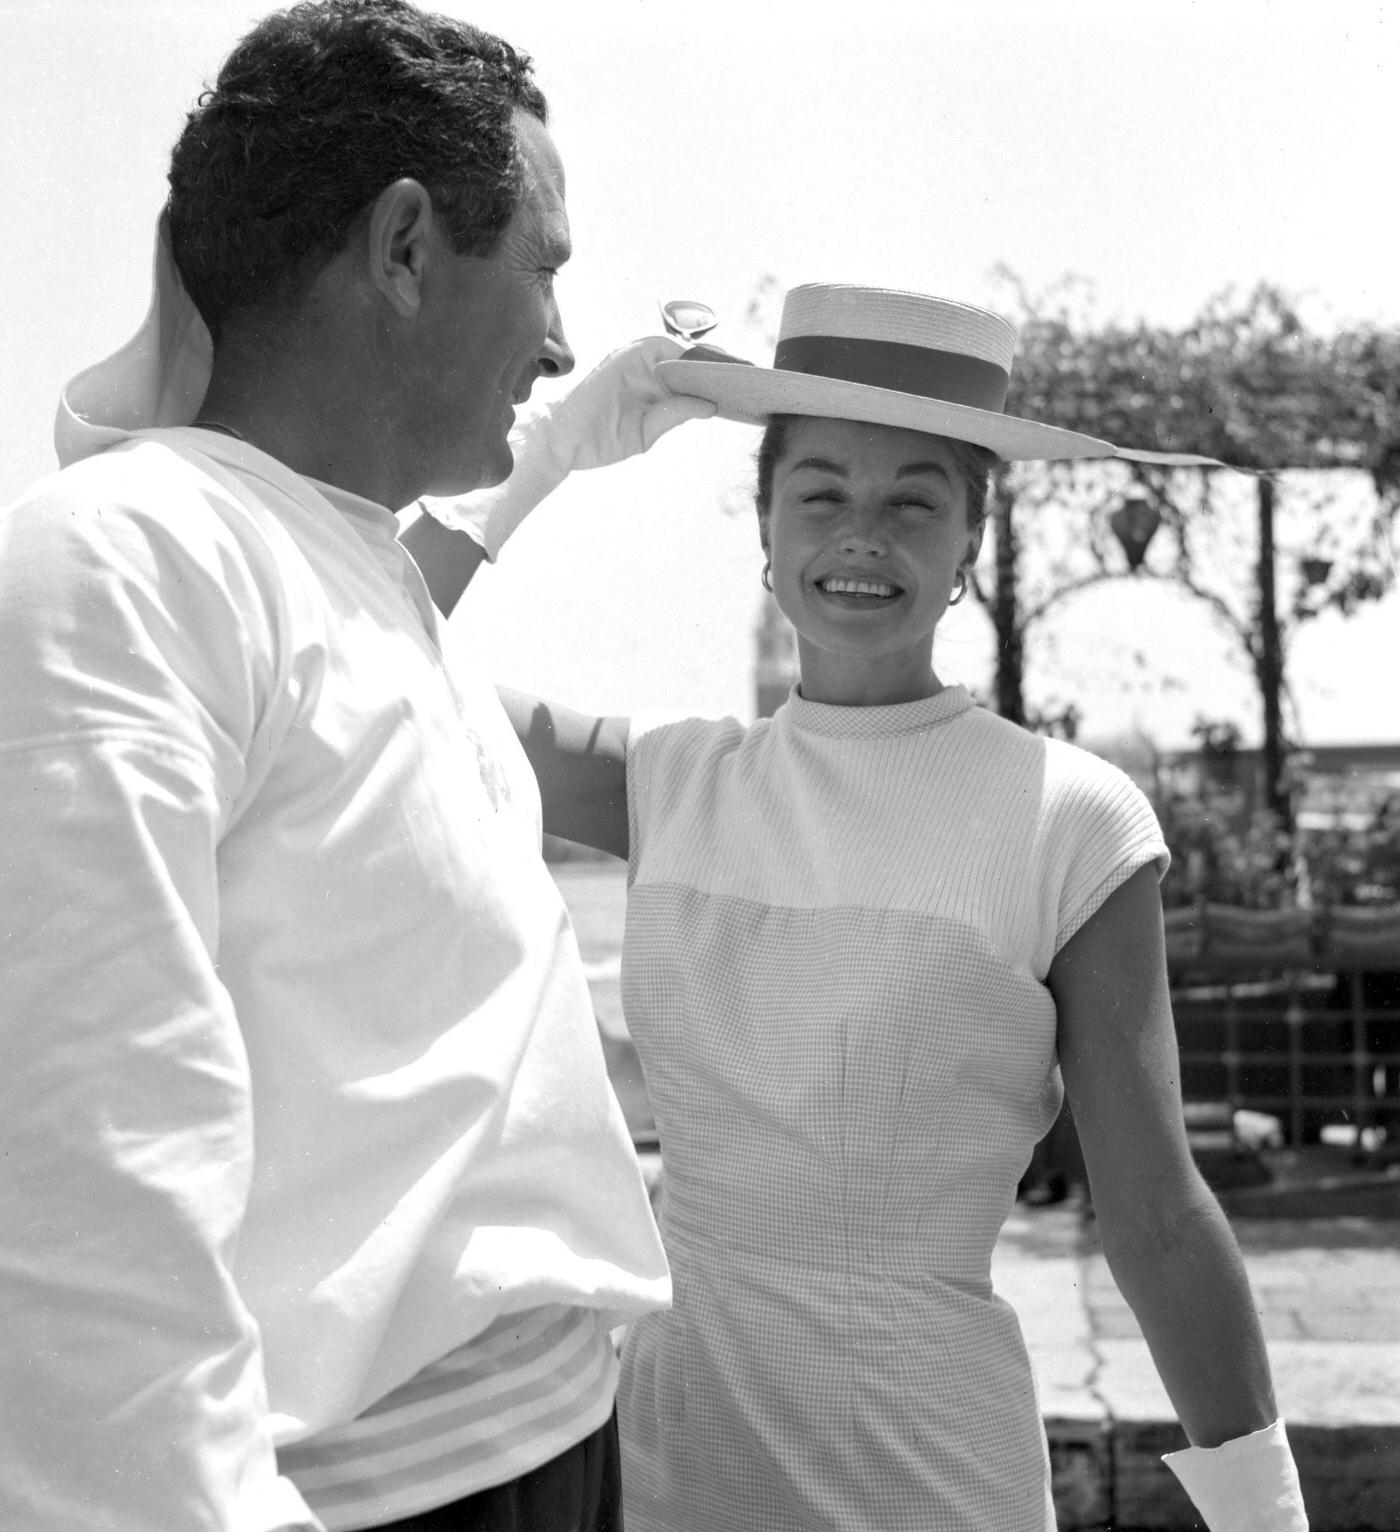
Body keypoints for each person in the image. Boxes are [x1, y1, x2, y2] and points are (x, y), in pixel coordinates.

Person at [406, 284, 1310, 1530]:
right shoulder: (668, 781)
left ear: (967, 548)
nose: (861, 535)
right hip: (673, 1459)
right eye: (820, 493)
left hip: (933, 1472)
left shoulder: (1072, 819)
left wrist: (1264, 1513)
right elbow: (366, 648)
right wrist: (550, 442)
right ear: (766, 537)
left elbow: (1154, 1212)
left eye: (912, 502)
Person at [0, 3, 719, 1528]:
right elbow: (76, 1192)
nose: (563, 338)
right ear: (404, 249)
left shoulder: (346, 567)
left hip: (545, 1453)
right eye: (545, 268)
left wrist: (558, 455)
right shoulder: (128, 566)